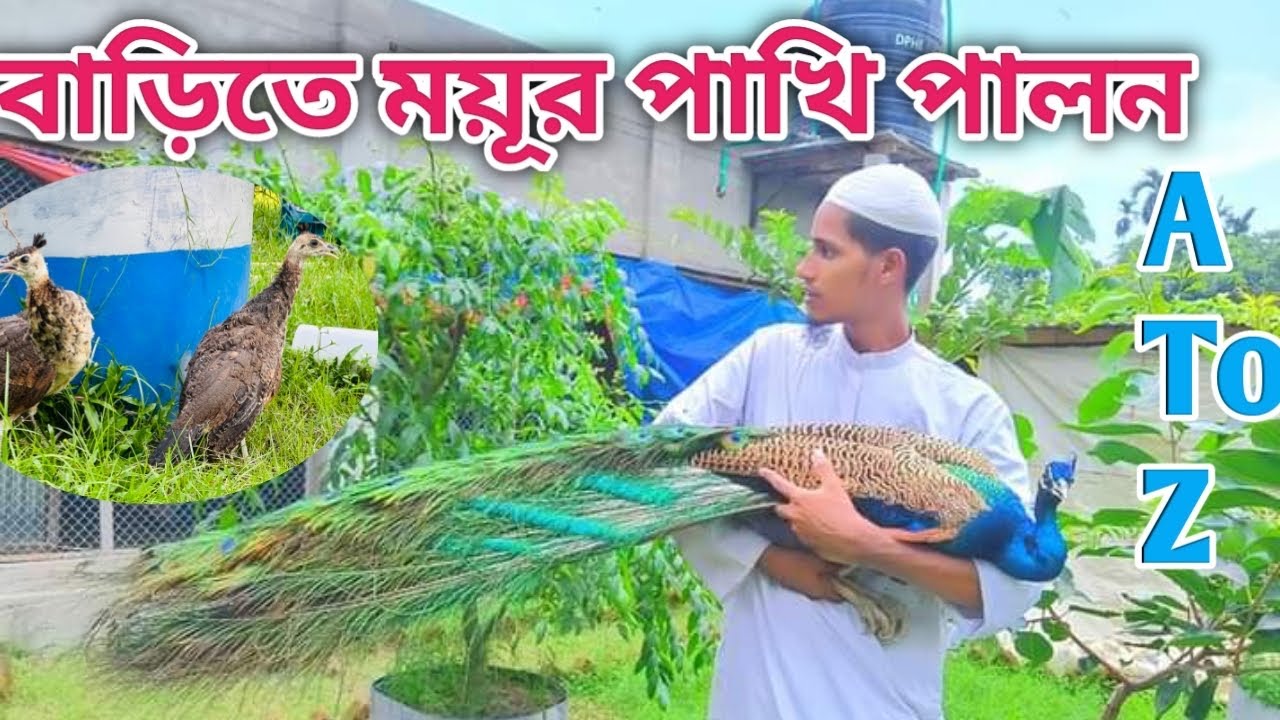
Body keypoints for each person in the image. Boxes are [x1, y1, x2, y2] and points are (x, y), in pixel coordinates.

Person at [652, 163, 1044, 719]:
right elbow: (661, 460)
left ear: (888, 266)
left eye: (827, 252)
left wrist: (866, 546)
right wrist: (768, 558)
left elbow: (1015, 586)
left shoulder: (966, 409)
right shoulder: (769, 357)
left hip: (880, 693)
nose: (804, 268)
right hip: (760, 684)